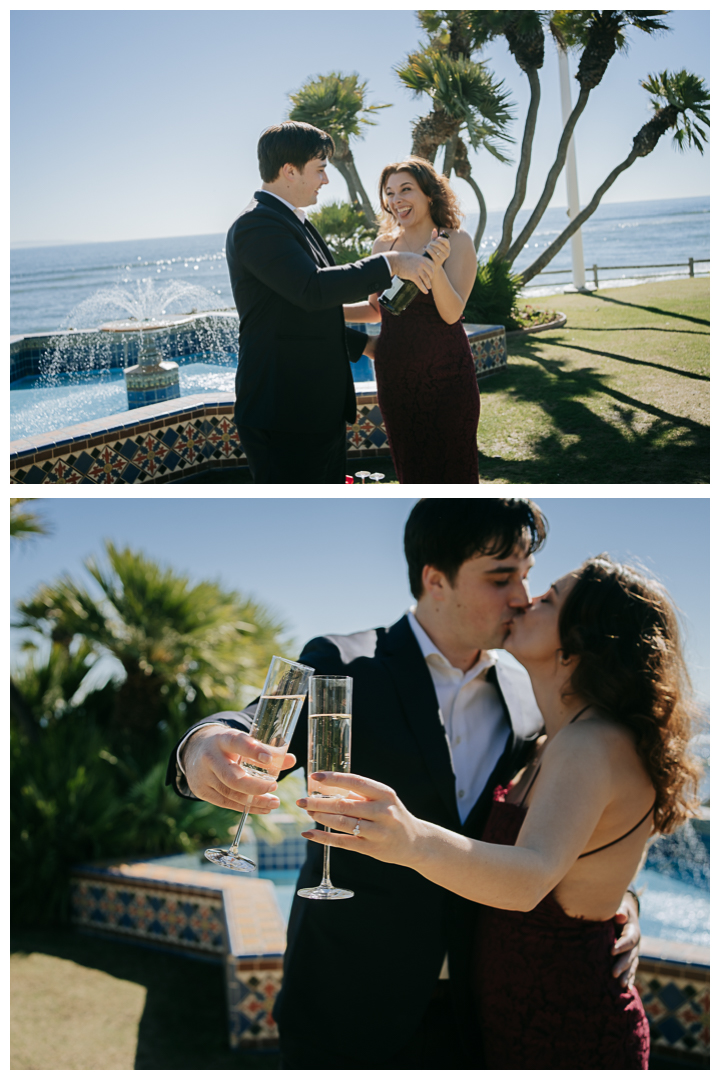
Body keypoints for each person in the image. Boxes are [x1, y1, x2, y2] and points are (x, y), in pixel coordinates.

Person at [165, 499, 642, 1068]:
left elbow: (569, 822)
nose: (520, 596)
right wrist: (200, 747)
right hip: (346, 1008)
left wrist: (619, 901)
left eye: (526, 577)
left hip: (472, 1018)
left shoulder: (527, 704)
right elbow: (257, 718)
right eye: (500, 577)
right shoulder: (347, 661)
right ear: (435, 579)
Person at [300, 556, 702, 1069]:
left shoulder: (592, 743)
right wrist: (623, 899)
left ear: (577, 643)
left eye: (549, 598)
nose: (526, 598)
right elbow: (583, 854)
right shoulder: (546, 739)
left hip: (567, 1025)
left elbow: (533, 876)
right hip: (507, 1020)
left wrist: (411, 840)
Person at [225, 123, 438, 484]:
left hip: (313, 409)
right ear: (289, 171)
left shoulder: (292, 221)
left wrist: (366, 345)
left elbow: (297, 312)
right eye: (320, 169)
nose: (325, 180)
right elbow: (313, 289)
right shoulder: (256, 226)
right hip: (284, 412)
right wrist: (393, 262)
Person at [343, 157, 480, 484]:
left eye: (406, 189)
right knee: (412, 468)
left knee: (455, 467)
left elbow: (451, 313)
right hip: (396, 377)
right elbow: (378, 310)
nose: (396, 200)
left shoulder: (457, 241)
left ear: (429, 193)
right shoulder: (383, 245)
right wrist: (325, 309)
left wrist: (433, 263)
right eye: (389, 193)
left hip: (448, 375)